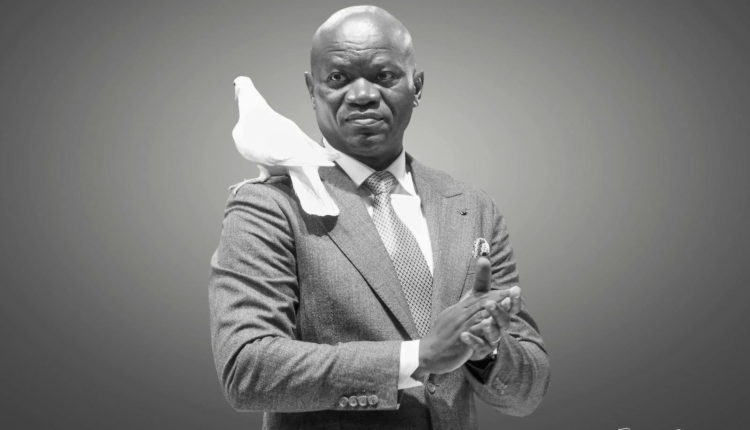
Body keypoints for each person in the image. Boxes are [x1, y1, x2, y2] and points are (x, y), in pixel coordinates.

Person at [209, 5, 550, 429]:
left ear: (416, 86)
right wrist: (418, 357)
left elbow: (527, 391)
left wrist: (486, 350)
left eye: (384, 76)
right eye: (338, 78)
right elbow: (247, 369)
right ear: (312, 90)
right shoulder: (269, 205)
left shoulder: (472, 207)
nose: (362, 95)